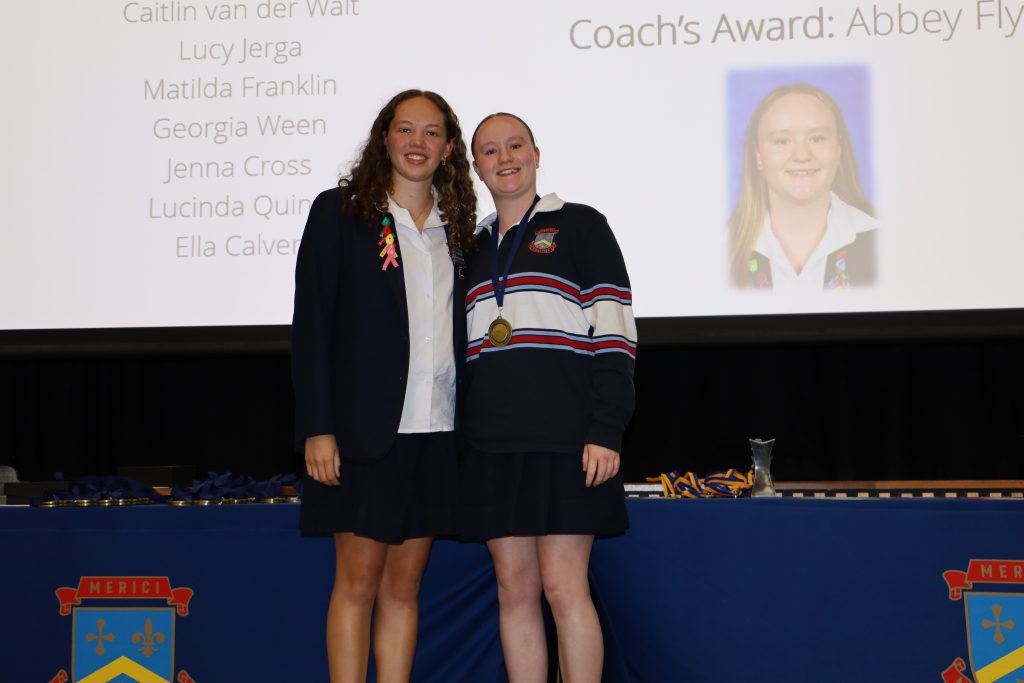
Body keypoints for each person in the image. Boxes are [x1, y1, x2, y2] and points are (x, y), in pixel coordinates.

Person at [291, 89, 476, 683]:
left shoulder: (460, 231)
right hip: (363, 435)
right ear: (385, 139)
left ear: (448, 149)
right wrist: (317, 427)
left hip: (435, 430)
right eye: (406, 129)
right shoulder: (341, 213)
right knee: (358, 585)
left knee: (403, 588)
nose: (417, 142)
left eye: (431, 132)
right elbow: (313, 326)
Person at [461, 112, 637, 683]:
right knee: (514, 589)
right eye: (491, 150)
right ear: (476, 166)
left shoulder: (582, 225)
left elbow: (615, 333)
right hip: (492, 445)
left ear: (536, 154)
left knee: (564, 586)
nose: (505, 158)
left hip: (567, 441)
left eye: (515, 145)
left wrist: (606, 428)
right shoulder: (470, 247)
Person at [728, 83, 878, 291]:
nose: (801, 155)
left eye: (817, 139)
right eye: (782, 141)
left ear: (839, 149)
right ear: (758, 156)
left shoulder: (885, 244)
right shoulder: (719, 249)